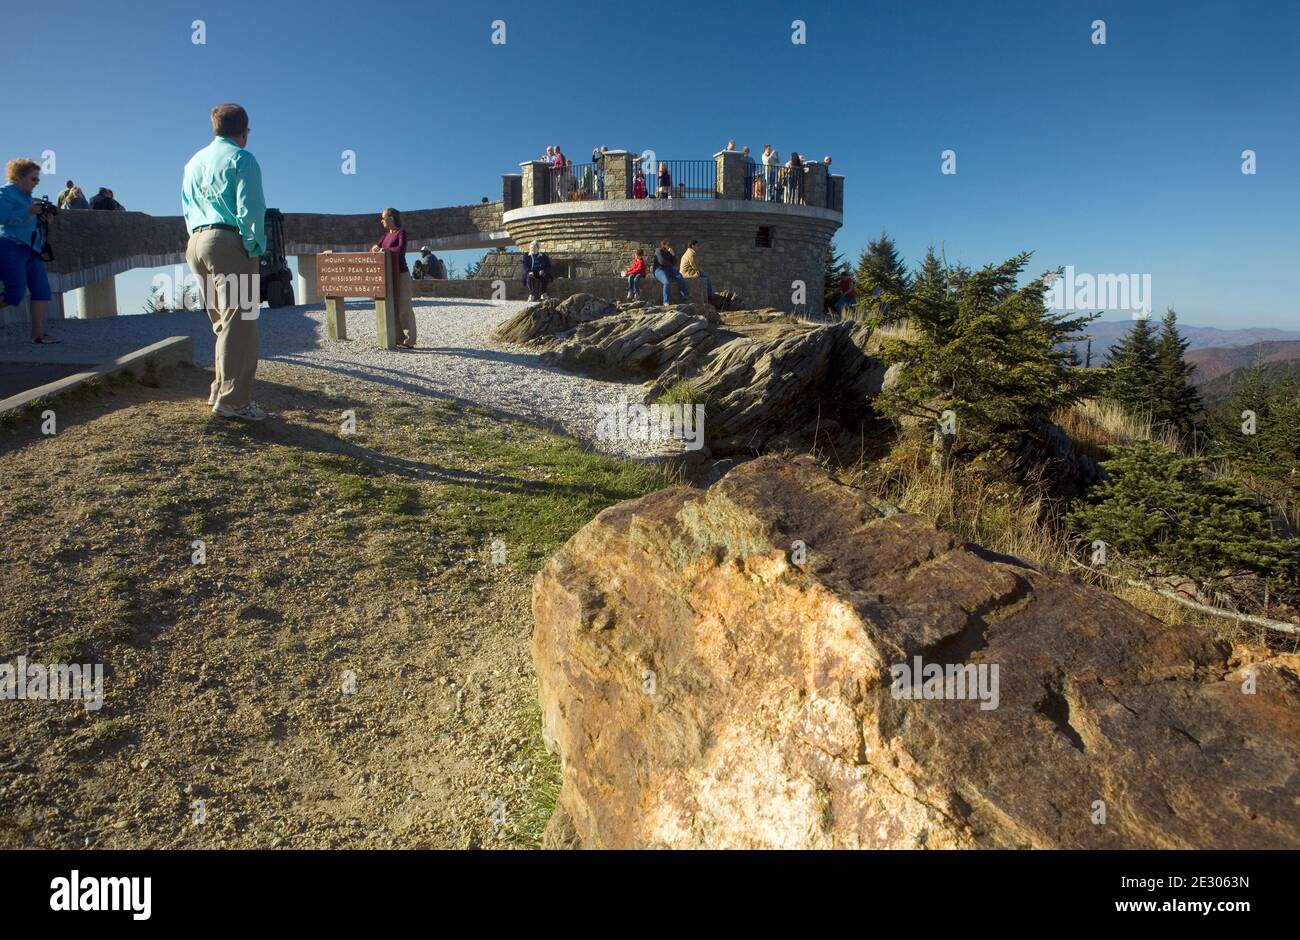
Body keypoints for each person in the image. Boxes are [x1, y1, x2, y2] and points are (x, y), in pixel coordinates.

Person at [181, 103, 268, 421]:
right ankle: (234, 401)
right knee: (241, 323)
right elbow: (251, 207)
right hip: (227, 241)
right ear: (245, 131)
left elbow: (186, 205)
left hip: (196, 242)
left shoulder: (193, 162)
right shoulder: (242, 158)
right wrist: (254, 245)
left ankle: (219, 388)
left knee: (223, 324)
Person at [0, 158, 59, 343]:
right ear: (18, 177)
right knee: (14, 293)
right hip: (11, 246)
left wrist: (45, 220)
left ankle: (38, 335)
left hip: (32, 248)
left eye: (38, 179)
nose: (37, 182)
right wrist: (28, 212)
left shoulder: (28, 197)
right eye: (34, 179)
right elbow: (2, 217)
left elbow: (30, 221)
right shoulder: (5, 193)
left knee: (42, 290)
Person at [371, 207, 416, 349]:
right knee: (392, 307)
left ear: (391, 218)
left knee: (404, 306)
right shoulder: (385, 236)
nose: (381, 221)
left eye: (383, 218)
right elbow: (375, 248)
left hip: (401, 274)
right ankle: (398, 338)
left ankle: (410, 339)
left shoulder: (401, 232)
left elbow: (401, 249)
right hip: (388, 276)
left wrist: (385, 250)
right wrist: (375, 248)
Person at [652, 239, 688, 304]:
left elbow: (675, 262)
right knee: (667, 282)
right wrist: (671, 264)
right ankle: (666, 301)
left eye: (670, 245)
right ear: (664, 245)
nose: (670, 246)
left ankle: (685, 296)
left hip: (669, 269)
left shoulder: (669, 252)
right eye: (668, 245)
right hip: (659, 270)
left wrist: (673, 254)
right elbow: (662, 261)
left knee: (680, 276)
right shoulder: (658, 251)